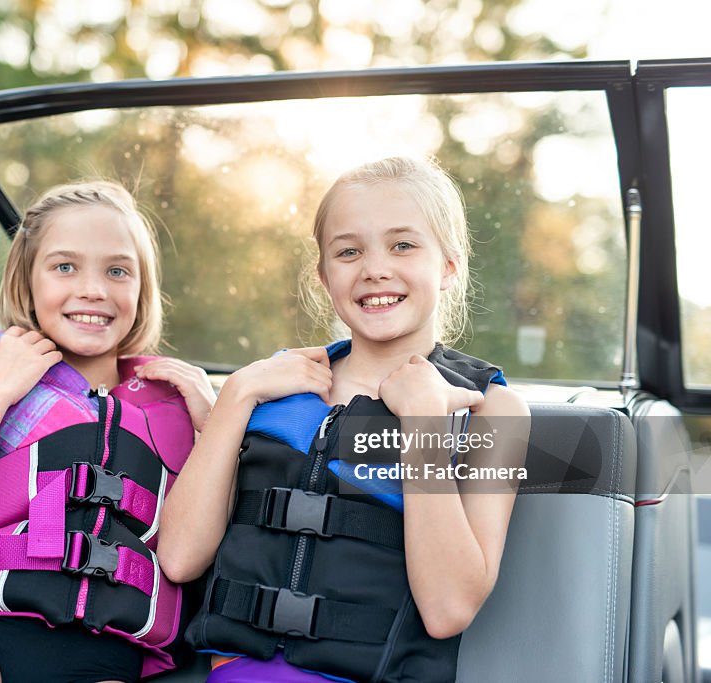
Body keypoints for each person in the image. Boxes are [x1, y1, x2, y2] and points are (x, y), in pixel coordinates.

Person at [158, 157, 530, 683]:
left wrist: (423, 422)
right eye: (349, 251)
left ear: (448, 264)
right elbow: (178, 560)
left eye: (402, 245)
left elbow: (449, 609)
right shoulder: (270, 390)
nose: (374, 268)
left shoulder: (490, 410)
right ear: (324, 275)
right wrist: (235, 397)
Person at [0, 181, 216, 683]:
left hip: (107, 654)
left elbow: (194, 558)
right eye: (64, 267)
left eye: (118, 271)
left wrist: (213, 425)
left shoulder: (178, 410)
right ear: (26, 281)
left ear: (141, 290)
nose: (93, 290)